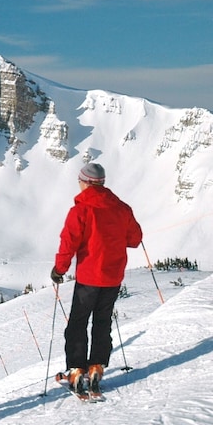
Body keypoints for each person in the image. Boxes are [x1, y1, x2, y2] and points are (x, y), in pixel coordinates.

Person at [51, 162, 142, 396]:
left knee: (78, 323)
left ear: (86, 183)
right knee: (102, 322)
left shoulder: (81, 210)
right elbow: (135, 239)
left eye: (80, 181)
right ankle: (96, 367)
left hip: (89, 277)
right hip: (113, 276)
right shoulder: (122, 208)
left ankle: (76, 370)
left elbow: (69, 242)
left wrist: (59, 269)